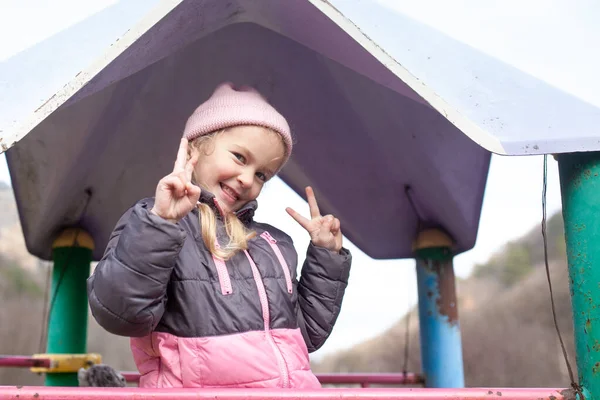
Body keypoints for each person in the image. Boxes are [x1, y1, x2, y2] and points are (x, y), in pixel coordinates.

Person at [87, 82, 352, 389]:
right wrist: (160, 224)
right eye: (240, 157)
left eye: (262, 174)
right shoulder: (155, 223)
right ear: (195, 148)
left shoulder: (274, 244)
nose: (247, 179)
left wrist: (326, 257)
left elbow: (307, 337)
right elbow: (120, 314)